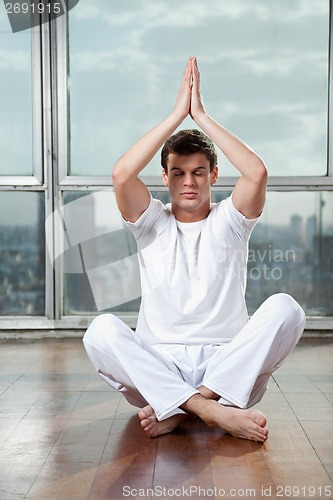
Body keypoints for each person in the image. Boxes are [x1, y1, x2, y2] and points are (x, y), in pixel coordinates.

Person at [83, 57, 306, 443]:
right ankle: (205, 412)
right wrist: (175, 115)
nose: (189, 182)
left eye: (198, 172)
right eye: (178, 173)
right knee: (100, 331)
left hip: (227, 371)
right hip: (158, 367)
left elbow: (256, 172)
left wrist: (199, 114)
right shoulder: (152, 221)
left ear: (213, 176)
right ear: (165, 177)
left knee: (288, 308)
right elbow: (122, 174)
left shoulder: (231, 221)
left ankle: (184, 407)